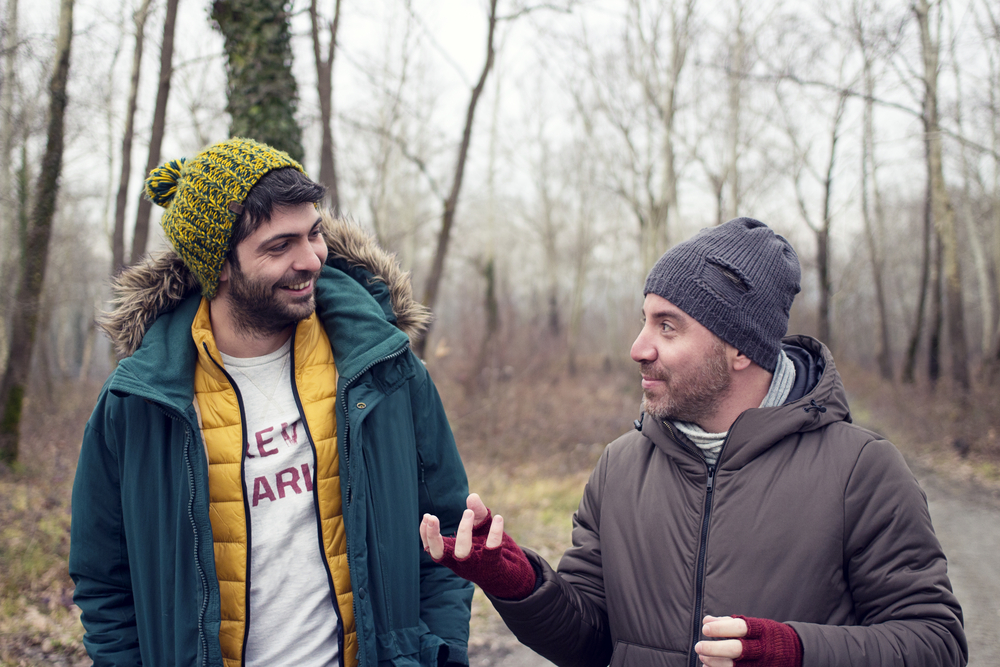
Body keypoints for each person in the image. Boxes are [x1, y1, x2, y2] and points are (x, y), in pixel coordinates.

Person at [420, 217, 967, 667]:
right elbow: (589, 642)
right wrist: (519, 583)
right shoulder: (619, 468)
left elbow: (936, 644)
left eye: (668, 326)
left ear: (740, 348)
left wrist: (795, 652)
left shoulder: (861, 471)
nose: (638, 347)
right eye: (644, 321)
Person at [69, 138, 473, 667]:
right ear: (218, 266)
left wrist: (435, 657)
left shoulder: (384, 371)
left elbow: (446, 531)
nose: (311, 260)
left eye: (314, 234)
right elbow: (104, 582)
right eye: (279, 246)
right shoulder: (138, 404)